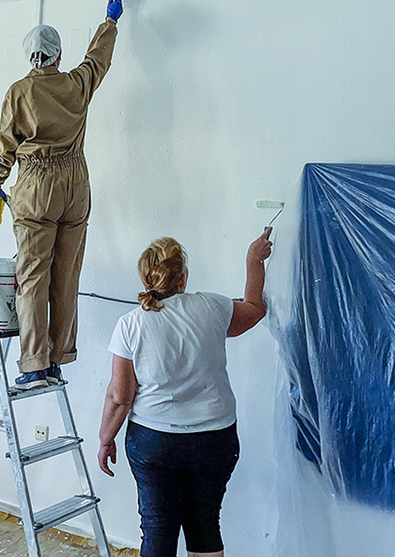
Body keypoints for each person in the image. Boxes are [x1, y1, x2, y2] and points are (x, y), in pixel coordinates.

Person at [97, 231, 273, 557]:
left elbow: (120, 396)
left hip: (155, 444)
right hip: (215, 440)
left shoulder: (130, 324)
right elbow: (254, 309)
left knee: (158, 532)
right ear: (183, 277)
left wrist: (106, 438)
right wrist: (254, 259)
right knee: (204, 527)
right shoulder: (213, 307)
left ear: (146, 277)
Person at [0, 0, 124, 390]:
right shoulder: (77, 84)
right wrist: (109, 23)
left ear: (30, 57)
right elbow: (99, 60)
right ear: (59, 55)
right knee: (66, 276)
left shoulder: (20, 92)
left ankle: (33, 365)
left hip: (36, 186)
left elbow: (5, 144)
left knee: (32, 277)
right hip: (76, 185)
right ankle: (58, 359)